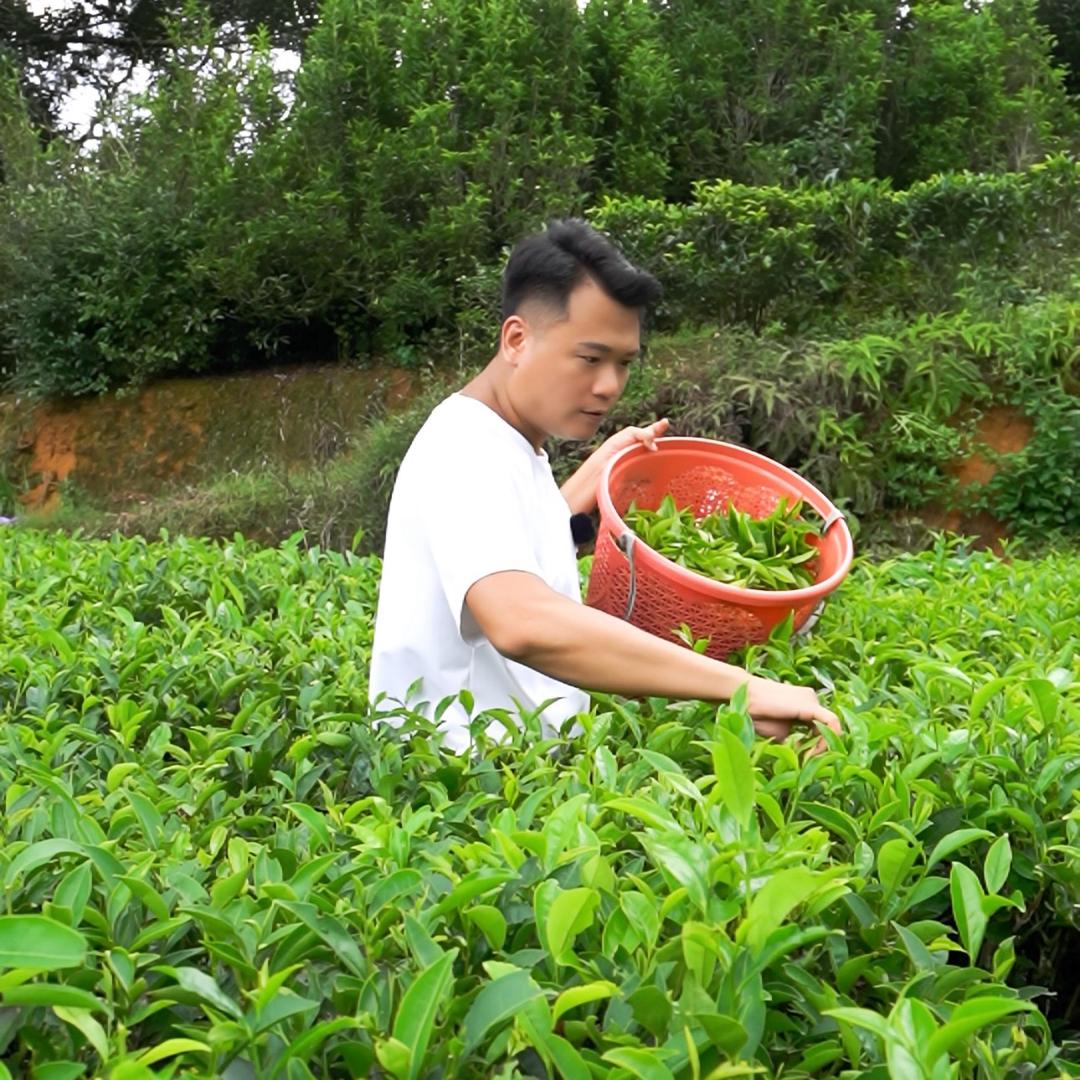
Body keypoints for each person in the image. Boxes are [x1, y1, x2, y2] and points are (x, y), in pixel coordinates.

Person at [369, 219, 840, 751]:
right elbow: (521, 620)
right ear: (517, 340)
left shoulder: (510, 443)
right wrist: (746, 690)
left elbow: (510, 542)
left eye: (623, 364)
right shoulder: (464, 449)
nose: (609, 385)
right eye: (590, 358)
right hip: (468, 784)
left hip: (523, 766)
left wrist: (596, 469)